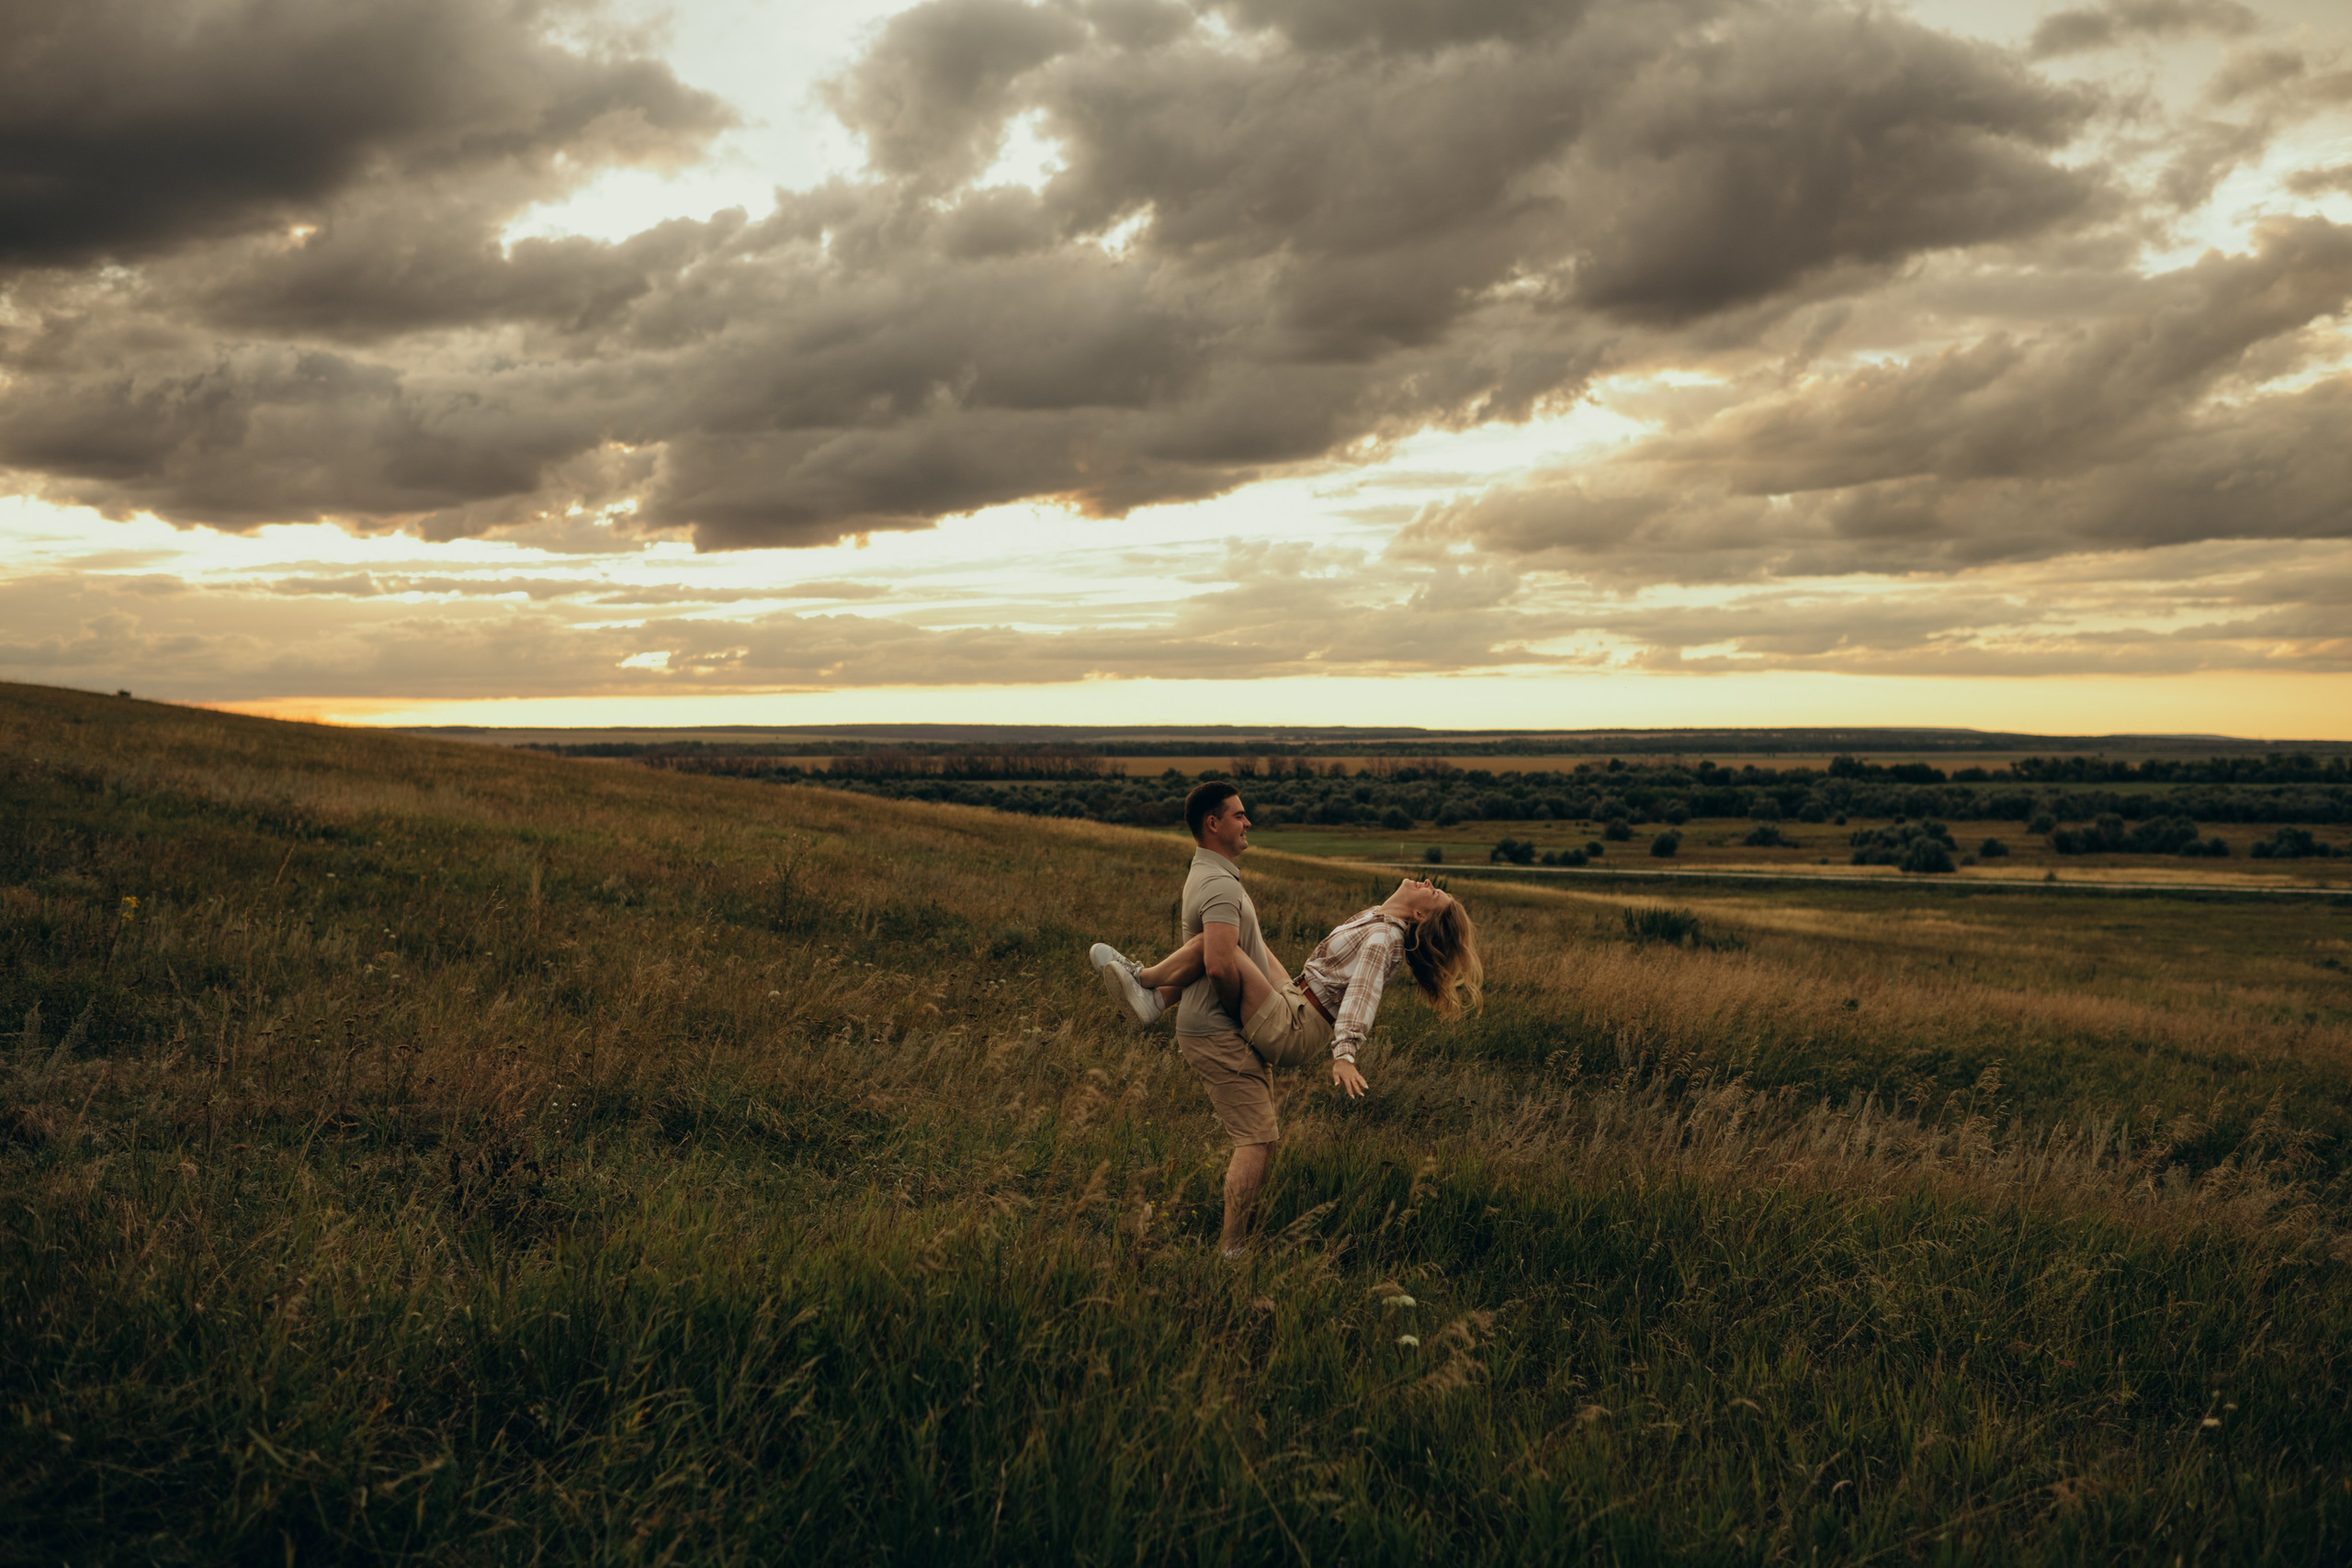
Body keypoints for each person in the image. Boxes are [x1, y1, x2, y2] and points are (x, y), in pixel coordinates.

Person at [1088, 782, 1483, 1257]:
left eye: (1433, 894)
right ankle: (1154, 995)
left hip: (1299, 1024)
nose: (1427, 883)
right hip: (1294, 998)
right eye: (1434, 886)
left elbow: (1361, 997)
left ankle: (1147, 984)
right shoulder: (1379, 918)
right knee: (1239, 943)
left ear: (1419, 914)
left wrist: (1345, 1054)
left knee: (1224, 949)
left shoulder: (1385, 939)